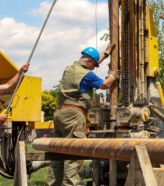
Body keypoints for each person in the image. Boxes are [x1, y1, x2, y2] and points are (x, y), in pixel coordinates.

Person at [47, 44, 119, 186]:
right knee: (73, 154)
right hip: (73, 116)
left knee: (57, 154)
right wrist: (114, 75)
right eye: (93, 65)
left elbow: (89, 65)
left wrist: (106, 53)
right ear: (88, 62)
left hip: (60, 115)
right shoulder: (87, 75)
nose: (94, 68)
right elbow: (105, 84)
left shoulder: (69, 69)